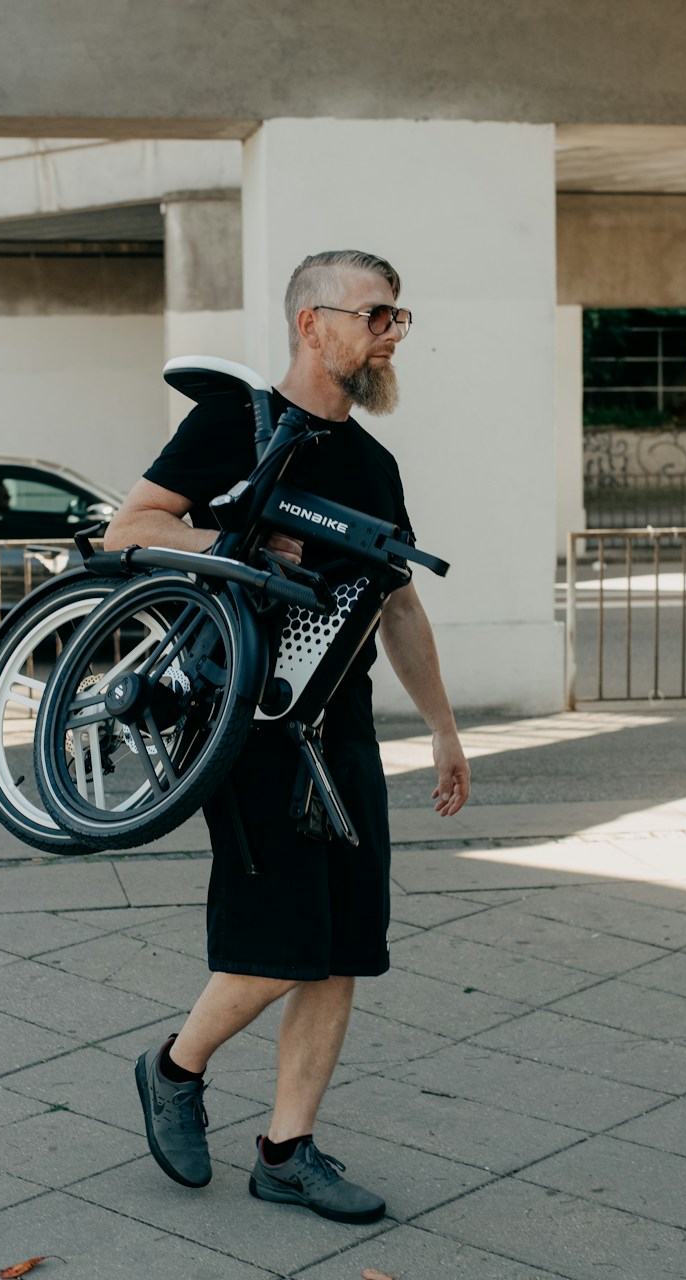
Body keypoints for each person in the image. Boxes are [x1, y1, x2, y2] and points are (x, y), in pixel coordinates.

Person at [107, 250, 471, 1223]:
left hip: (340, 724)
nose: (394, 332)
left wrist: (442, 729)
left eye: (401, 315)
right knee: (279, 944)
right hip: (245, 717)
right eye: (377, 313)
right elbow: (129, 526)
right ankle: (174, 1067)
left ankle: (287, 1148)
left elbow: (398, 609)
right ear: (313, 322)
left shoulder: (374, 464)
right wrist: (241, 546)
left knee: (345, 943)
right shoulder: (237, 422)